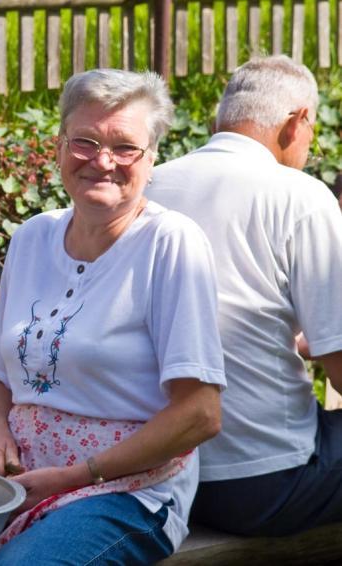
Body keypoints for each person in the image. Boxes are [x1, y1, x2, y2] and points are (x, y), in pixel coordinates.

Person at [0, 68, 225, 564]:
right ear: (59, 148)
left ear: (151, 160)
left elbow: (200, 414)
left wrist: (75, 476)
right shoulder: (33, 237)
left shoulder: (170, 243)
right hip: (23, 473)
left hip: (126, 490)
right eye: (85, 141)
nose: (102, 161)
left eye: (125, 148)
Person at [147, 55, 342, 537]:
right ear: (297, 122)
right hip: (263, 482)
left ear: (220, 120)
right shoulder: (301, 196)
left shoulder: (147, 184)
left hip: (157, 474)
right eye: (312, 134)